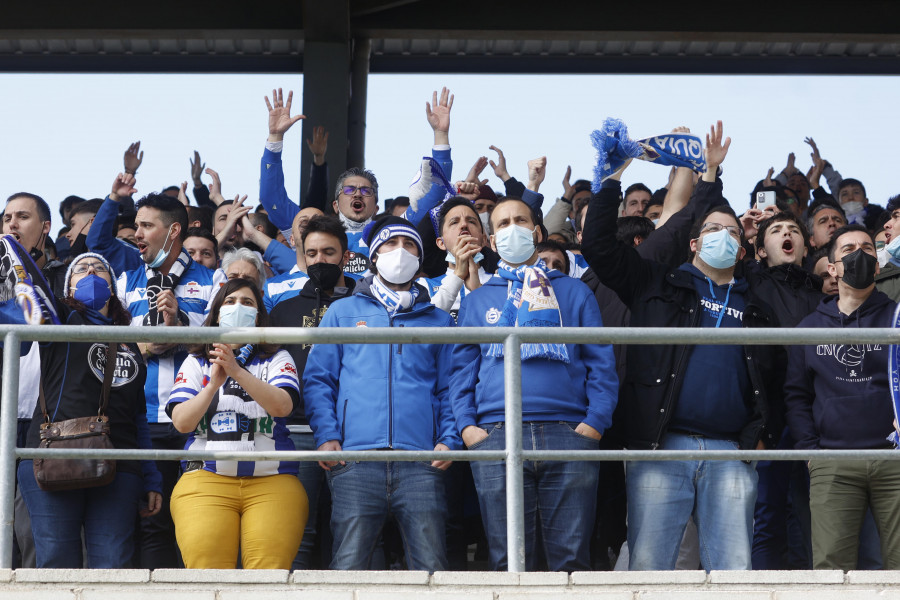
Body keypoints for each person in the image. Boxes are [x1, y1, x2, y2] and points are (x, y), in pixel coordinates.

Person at [581, 121, 779, 571]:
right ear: (693, 241)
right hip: (661, 448)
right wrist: (610, 180)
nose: (722, 236)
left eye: (733, 233)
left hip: (731, 452)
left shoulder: (756, 307)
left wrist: (763, 432)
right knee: (649, 567)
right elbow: (598, 247)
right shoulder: (655, 286)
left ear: (744, 250)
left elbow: (775, 375)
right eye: (712, 229)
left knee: (732, 571)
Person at [450, 197, 618, 572]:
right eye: (503, 223)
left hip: (569, 433)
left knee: (571, 562)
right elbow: (461, 371)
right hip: (495, 435)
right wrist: (467, 428)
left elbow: (601, 363)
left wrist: (594, 423)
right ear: (492, 241)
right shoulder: (478, 300)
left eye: (520, 220)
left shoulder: (575, 292)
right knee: (508, 561)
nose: (513, 228)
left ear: (537, 232)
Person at [303, 215, 459, 571]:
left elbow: (450, 387)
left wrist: (449, 438)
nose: (400, 252)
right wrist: (327, 436)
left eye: (409, 246)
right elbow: (318, 380)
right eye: (390, 244)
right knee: (348, 566)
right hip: (355, 459)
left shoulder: (439, 320)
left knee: (431, 568)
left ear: (420, 259)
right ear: (373, 256)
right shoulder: (341, 312)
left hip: (421, 460)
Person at [3, 247, 162, 568]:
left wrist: (151, 477)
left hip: (120, 464)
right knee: (56, 563)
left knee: (114, 565)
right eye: (82, 269)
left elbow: (138, 417)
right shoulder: (58, 322)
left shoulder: (130, 341)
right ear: (68, 287)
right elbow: (24, 301)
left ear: (113, 286)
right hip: (53, 456)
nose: (91, 272)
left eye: (99, 268)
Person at [167, 278, 306, 569]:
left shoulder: (278, 357)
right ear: (217, 313)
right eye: (229, 302)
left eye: (247, 302)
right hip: (205, 479)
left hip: (273, 480)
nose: (237, 307)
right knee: (208, 576)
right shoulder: (196, 362)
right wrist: (212, 384)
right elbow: (181, 422)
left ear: (259, 316)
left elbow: (283, 406)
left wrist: (237, 371)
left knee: (267, 578)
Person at [784, 224, 900, 570]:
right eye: (848, 249)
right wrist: (810, 453)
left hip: (895, 460)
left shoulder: (898, 318)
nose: (859, 254)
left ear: (878, 265)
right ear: (832, 269)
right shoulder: (808, 328)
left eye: (867, 248)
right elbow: (796, 396)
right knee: (831, 572)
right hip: (833, 461)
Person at [269, 215, 355, 569]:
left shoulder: (365, 307)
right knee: (297, 534)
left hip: (354, 433)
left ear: (346, 257)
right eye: (312, 253)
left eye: (329, 252)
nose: (320, 260)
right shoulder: (284, 311)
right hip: (297, 433)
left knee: (353, 532)